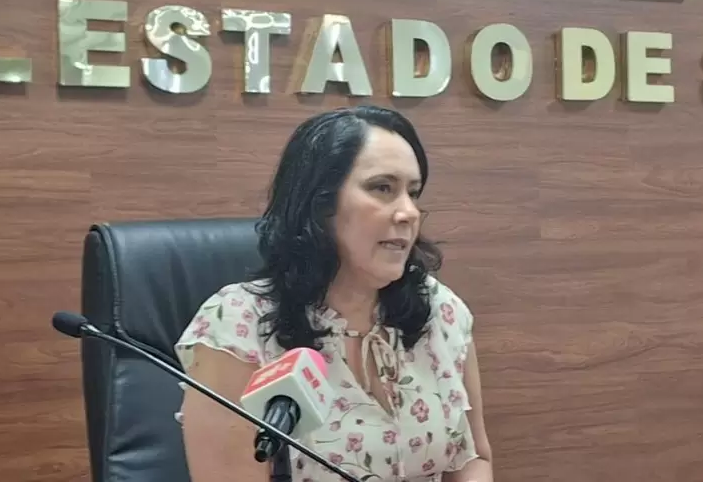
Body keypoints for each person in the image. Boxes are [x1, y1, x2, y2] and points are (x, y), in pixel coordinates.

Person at [174, 105, 492, 482]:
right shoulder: (237, 328)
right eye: (383, 188)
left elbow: (473, 458)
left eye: (413, 192)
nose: (408, 212)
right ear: (320, 203)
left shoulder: (439, 310)